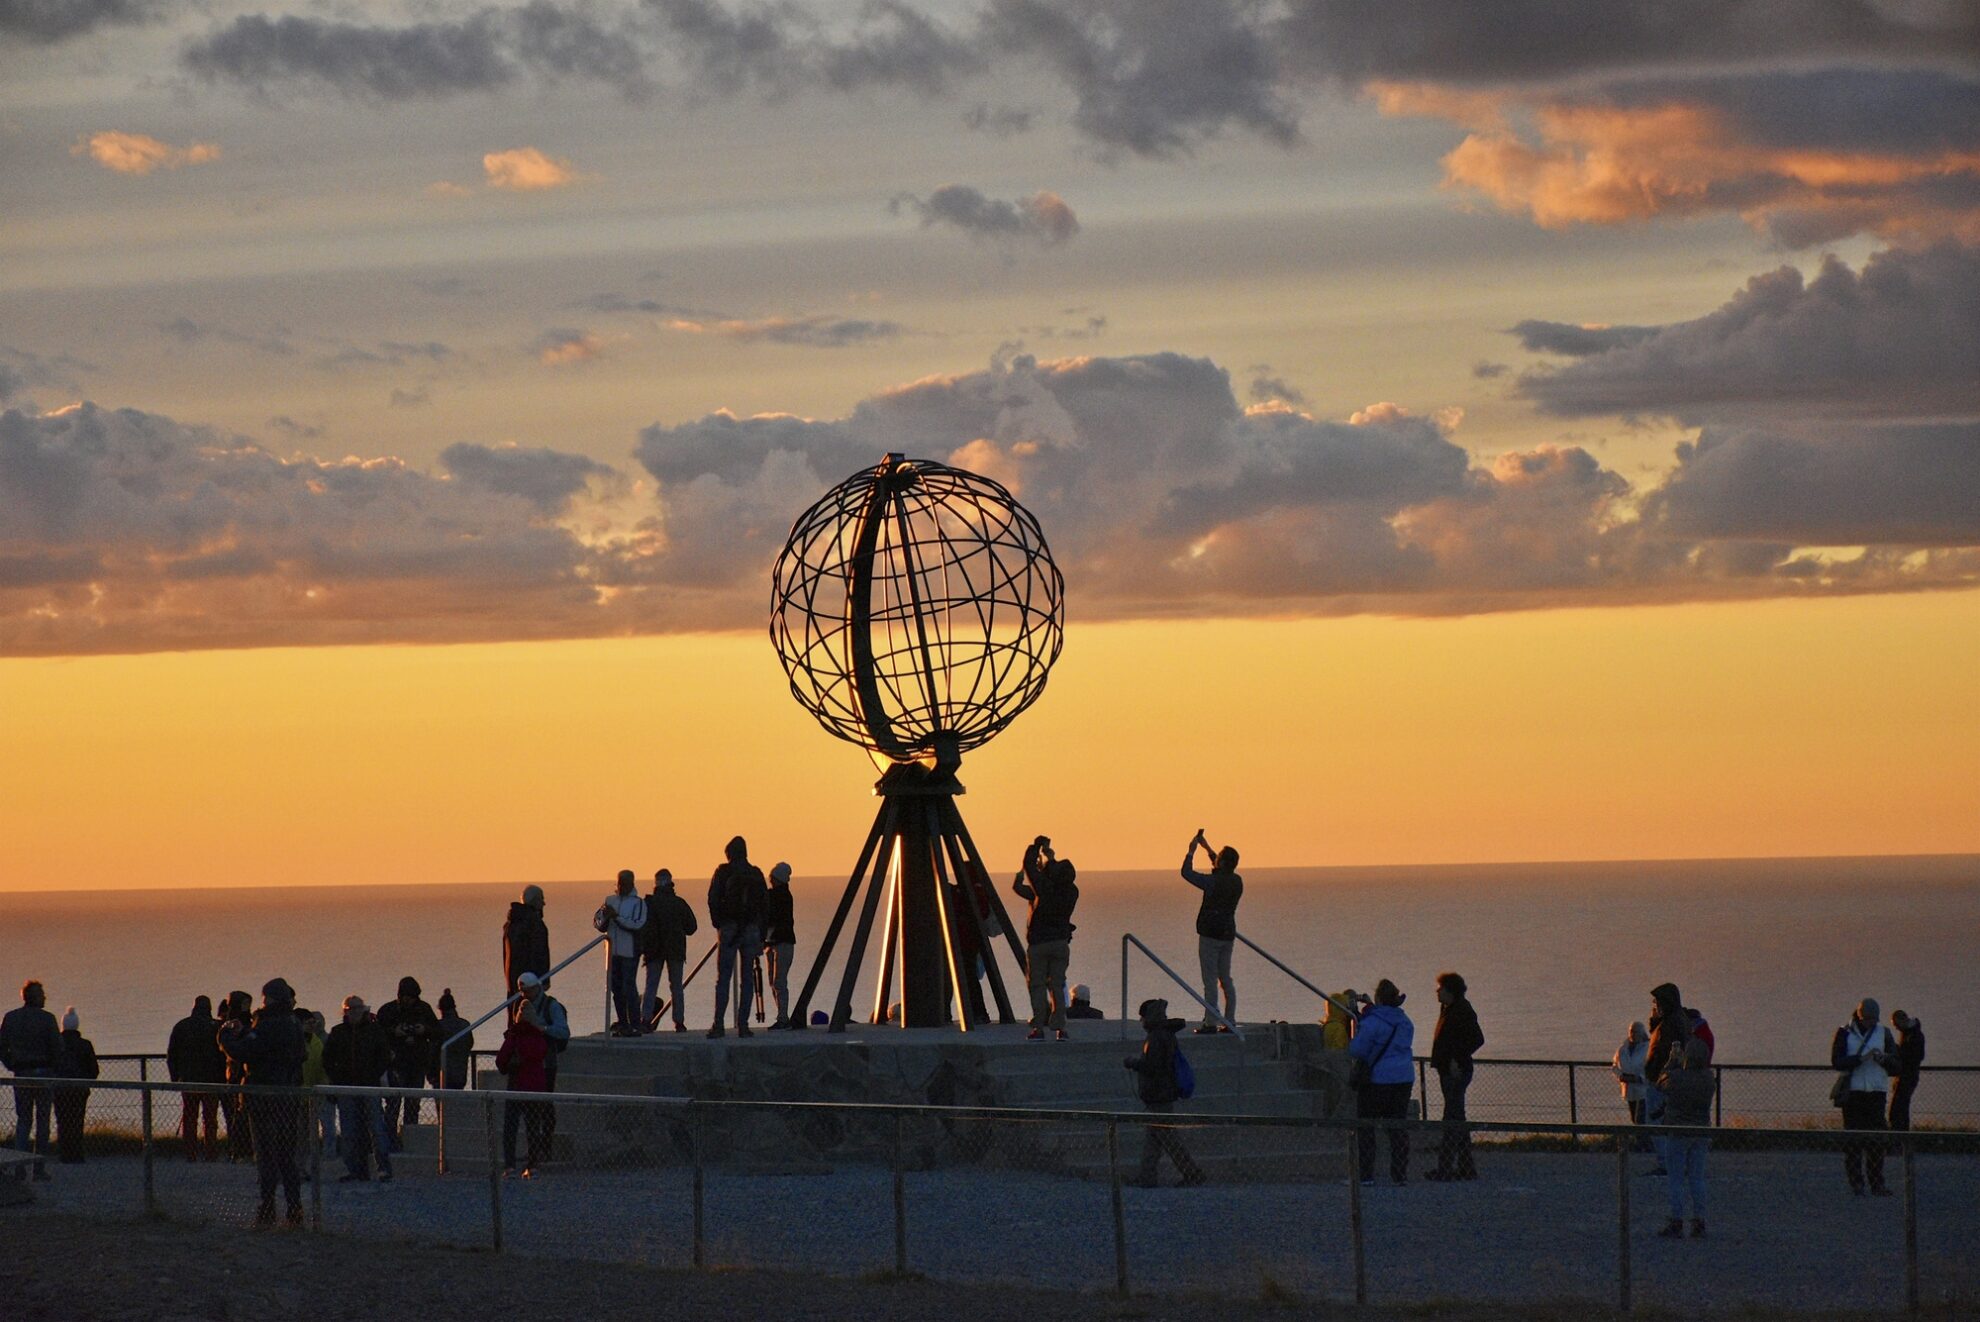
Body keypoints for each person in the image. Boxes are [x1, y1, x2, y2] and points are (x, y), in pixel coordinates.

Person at [218, 977, 308, 1227]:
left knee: (266, 1155)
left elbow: (246, 1052)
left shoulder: (268, 1023)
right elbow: (280, 1050)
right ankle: (294, 1209)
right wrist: (248, 1033)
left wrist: (225, 1036)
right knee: (286, 1156)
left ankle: (267, 1209)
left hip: (263, 1099)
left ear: (270, 999)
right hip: (288, 1097)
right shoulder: (293, 1023)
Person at [1122, 997, 1205, 1188]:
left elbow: (1152, 1067)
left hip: (1159, 1095)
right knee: (1154, 1139)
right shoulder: (1165, 1034)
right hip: (1161, 1094)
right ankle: (1147, 1176)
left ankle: (1192, 1173)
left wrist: (1132, 1063)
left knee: (1168, 1139)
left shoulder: (1156, 1037)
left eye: (1142, 1017)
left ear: (1148, 1016)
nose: (1141, 1021)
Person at [1013, 836, 1079, 1041]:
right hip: (1060, 943)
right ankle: (1060, 1028)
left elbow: (1029, 867)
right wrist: (1049, 857)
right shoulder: (1072, 891)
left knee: (1037, 986)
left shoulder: (1043, 889)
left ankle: (1039, 1027)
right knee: (1057, 985)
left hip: (1040, 943)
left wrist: (1035, 847)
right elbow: (1055, 874)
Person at [1349, 979, 1414, 1186]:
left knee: (1366, 1126)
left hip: (1378, 1080)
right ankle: (1399, 1174)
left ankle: (1366, 1175)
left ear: (1378, 998)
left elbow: (1357, 1050)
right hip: (1404, 1078)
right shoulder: (1405, 1021)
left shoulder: (1373, 1022)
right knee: (1398, 1127)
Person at [1831, 997, 1898, 1196]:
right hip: (1853, 1094)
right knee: (1853, 1142)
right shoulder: (1844, 1032)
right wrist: (1860, 1059)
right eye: (1868, 1019)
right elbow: (1837, 1062)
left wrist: (1884, 1060)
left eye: (1874, 1019)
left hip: (1876, 1093)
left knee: (1876, 1142)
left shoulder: (1884, 1033)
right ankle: (1857, 1183)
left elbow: (1897, 1065)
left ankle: (1877, 1184)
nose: (1872, 1023)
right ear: (1860, 1017)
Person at [323, 995, 392, 1183]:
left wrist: (373, 1075)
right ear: (345, 1011)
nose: (356, 1012)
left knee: (376, 1128)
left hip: (369, 1087)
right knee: (349, 1131)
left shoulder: (374, 1031)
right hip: (346, 1088)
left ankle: (383, 1168)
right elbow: (327, 1059)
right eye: (352, 1009)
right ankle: (355, 1169)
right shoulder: (338, 1032)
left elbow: (384, 1056)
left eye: (359, 1008)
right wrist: (337, 1079)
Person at [1180, 829, 1243, 1034]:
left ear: (1222, 863)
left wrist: (1191, 851)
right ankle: (1230, 1020)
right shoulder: (1237, 881)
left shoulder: (1213, 882)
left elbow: (1187, 873)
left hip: (1210, 935)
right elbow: (1220, 869)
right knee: (1226, 979)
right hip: (1227, 934)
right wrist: (1206, 847)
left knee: (1210, 980)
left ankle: (1210, 1021)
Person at [505, 972, 569, 1173]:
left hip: (546, 1064)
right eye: (522, 991)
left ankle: (544, 1148)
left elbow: (563, 1032)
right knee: (526, 1114)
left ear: (536, 988)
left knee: (545, 1106)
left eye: (527, 990)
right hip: (524, 1066)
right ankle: (530, 1154)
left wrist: (541, 1029)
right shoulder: (519, 1005)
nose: (525, 994)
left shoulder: (552, 1006)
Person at [707, 837, 767, 1039]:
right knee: (747, 979)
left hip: (729, 928)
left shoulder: (722, 872)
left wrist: (719, 924)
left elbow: (713, 898)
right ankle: (743, 1025)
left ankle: (719, 1024)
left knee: (723, 978)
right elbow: (764, 905)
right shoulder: (755, 873)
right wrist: (761, 933)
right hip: (751, 929)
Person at [1426, 972, 1482, 1182]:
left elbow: (1477, 1039)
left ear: (1450, 991)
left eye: (1440, 988)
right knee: (1457, 1117)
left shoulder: (1462, 1010)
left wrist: (1457, 1058)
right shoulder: (1448, 1009)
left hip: (1456, 1072)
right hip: (1447, 1071)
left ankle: (1445, 1168)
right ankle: (1466, 1167)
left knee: (1451, 1118)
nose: (1437, 991)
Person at [1656, 1038, 1715, 1238]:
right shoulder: (1709, 1079)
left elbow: (1660, 1083)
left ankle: (1677, 1220)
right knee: (1697, 1178)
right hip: (1701, 1132)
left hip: (1678, 1132)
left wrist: (1672, 1061)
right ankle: (1699, 1220)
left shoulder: (1676, 1077)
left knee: (1676, 1178)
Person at [1, 980, 61, 1168]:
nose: (45, 997)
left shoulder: (11, 1018)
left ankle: (18, 1165)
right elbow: (58, 1048)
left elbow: (2, 1047)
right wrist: (54, 1067)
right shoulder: (48, 1019)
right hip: (44, 1074)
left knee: (24, 1120)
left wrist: (12, 1065)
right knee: (43, 1121)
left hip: (22, 1074)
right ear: (35, 997)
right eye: (42, 994)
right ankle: (39, 1167)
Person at [375, 976, 437, 1143]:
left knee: (413, 1103)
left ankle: (410, 1139)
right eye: (407, 997)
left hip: (417, 1063)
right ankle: (390, 1139)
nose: (410, 1001)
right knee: (393, 1103)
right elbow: (377, 1035)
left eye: (413, 997)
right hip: (395, 1064)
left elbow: (437, 1032)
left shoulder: (424, 1009)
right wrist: (394, 1032)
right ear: (400, 995)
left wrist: (424, 1030)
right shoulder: (387, 1011)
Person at [167, 995, 227, 1162]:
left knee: (190, 1117)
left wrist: (175, 1077)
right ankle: (211, 1152)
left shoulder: (182, 1026)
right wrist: (223, 1078)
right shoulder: (216, 1026)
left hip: (189, 1080)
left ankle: (190, 1153)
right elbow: (223, 1056)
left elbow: (172, 1054)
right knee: (210, 1119)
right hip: (211, 1081)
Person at [496, 999, 551, 1179]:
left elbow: (501, 1060)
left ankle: (510, 1166)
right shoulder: (540, 1038)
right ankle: (532, 1165)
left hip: (516, 1086)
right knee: (533, 1127)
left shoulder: (514, 1037)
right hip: (535, 1088)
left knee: (510, 1127)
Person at [1642, 982, 1691, 1176]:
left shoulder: (1671, 1025)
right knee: (1665, 1122)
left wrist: (1654, 1074)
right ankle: (1673, 1161)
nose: (1655, 1005)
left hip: (1661, 1081)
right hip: (1666, 1080)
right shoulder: (1675, 1020)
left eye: (1657, 1002)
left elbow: (1662, 1053)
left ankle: (1666, 1163)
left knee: (1656, 1121)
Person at [641, 870, 697, 1032]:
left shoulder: (648, 904)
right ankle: (679, 1022)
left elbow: (641, 926)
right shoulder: (679, 903)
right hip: (675, 949)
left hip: (654, 950)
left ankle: (645, 1019)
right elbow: (692, 927)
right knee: (677, 987)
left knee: (651, 986)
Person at [601, 870, 648, 1036]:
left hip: (629, 951)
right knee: (615, 988)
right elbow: (598, 923)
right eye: (619, 883)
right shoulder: (610, 900)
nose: (621, 887)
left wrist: (616, 917)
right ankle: (622, 1022)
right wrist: (604, 917)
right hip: (612, 951)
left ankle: (635, 1022)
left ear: (632, 884)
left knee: (629, 987)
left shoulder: (638, 903)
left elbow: (636, 924)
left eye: (625, 883)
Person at [52, 1008, 98, 1165]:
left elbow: (52, 1065)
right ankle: (77, 1154)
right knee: (77, 1121)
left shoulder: (56, 1045)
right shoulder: (85, 1045)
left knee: (62, 1121)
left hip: (60, 1089)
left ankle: (64, 1154)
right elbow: (94, 1070)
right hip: (80, 1089)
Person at [219, 990, 255, 1162]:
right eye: (245, 1004)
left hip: (246, 1073)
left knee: (245, 1116)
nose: (247, 1007)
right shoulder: (231, 1025)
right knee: (236, 1115)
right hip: (235, 1074)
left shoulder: (249, 1022)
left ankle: (246, 1149)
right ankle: (238, 1150)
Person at [763, 862, 798, 1029]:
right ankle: (782, 1016)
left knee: (778, 981)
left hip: (780, 943)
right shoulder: (782, 896)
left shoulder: (778, 896)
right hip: (774, 943)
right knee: (775, 981)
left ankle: (783, 1018)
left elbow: (771, 916)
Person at [503, 884, 551, 1001]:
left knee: (517, 1009)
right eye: (541, 899)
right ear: (534, 901)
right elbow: (539, 954)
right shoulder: (534, 925)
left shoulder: (510, 925)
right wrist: (544, 980)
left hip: (514, 984)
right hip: (531, 984)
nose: (544, 903)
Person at [297, 1008, 330, 1174]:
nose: (312, 1026)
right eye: (307, 1023)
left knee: (305, 1135)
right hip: (293, 1096)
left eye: (313, 1022)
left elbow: (321, 1068)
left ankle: (301, 1168)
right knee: (291, 1136)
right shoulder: (292, 1042)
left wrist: (322, 1087)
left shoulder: (317, 1042)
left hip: (310, 1097)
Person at [1611, 1021, 1652, 1152]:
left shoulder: (1648, 1048)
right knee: (1634, 1118)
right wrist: (1621, 1076)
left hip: (1643, 1090)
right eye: (1631, 1032)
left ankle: (1643, 1145)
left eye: (1636, 1032)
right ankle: (1644, 1144)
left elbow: (1652, 1069)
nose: (1633, 1035)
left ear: (1642, 1033)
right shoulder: (1622, 1049)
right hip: (1629, 1090)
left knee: (1640, 1119)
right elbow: (1614, 1066)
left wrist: (1640, 1078)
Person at [1889, 1010, 1926, 1132]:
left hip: (1907, 1076)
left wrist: (1898, 1051)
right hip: (1907, 1076)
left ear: (1901, 1021)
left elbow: (1916, 1056)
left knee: (1898, 1109)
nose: (1896, 1028)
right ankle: (1902, 1135)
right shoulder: (1911, 1033)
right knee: (1901, 1108)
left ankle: (1899, 1135)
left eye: (1896, 1025)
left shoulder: (1913, 1035)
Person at [434, 990, 473, 1090]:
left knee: (442, 1098)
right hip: (460, 1073)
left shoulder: (438, 1026)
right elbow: (469, 1044)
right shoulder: (465, 1025)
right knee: (457, 1097)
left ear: (441, 1009)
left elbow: (433, 1049)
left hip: (441, 1074)